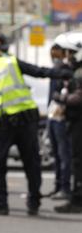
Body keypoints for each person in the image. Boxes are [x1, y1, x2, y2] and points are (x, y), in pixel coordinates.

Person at [0, 38, 72, 215]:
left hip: (1, 124)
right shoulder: (10, 61)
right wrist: (64, 73)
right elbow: (38, 72)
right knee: (31, 162)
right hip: (26, 120)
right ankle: (34, 201)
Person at [53, 31, 82, 213]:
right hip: (75, 120)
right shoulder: (74, 71)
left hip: (79, 121)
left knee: (77, 161)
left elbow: (78, 98)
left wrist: (61, 98)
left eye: (70, 53)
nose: (68, 57)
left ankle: (78, 200)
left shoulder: (79, 72)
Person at [46, 44, 72, 201]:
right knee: (57, 154)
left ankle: (64, 187)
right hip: (53, 116)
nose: (53, 55)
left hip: (61, 118)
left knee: (63, 154)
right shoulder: (55, 70)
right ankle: (58, 186)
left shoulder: (65, 71)